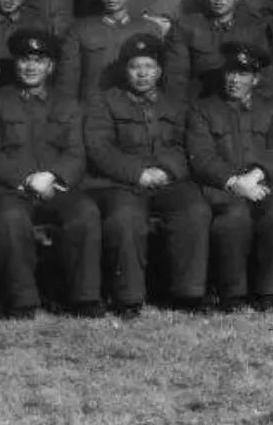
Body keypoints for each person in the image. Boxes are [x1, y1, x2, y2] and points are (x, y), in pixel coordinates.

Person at [0, 27, 103, 318]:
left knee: (85, 212)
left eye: (39, 60)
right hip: (7, 189)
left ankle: (83, 298)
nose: (31, 66)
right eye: (25, 59)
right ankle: (21, 301)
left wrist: (52, 176)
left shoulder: (68, 105)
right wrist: (27, 178)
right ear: (15, 63)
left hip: (53, 188)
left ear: (51, 66)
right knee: (10, 218)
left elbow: (76, 154)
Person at [83, 33, 211, 317]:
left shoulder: (175, 104)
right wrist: (138, 173)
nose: (142, 74)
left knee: (194, 210)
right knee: (125, 218)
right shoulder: (103, 102)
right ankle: (129, 298)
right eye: (134, 67)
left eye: (149, 67)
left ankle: (188, 293)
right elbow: (99, 148)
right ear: (124, 70)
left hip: (168, 180)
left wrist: (166, 171)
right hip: (123, 182)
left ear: (160, 71)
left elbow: (184, 146)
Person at [186, 41, 273, 313]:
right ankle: (233, 294)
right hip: (223, 188)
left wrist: (256, 176)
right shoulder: (203, 109)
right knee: (234, 217)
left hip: (263, 185)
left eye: (243, 74)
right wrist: (235, 183)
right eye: (230, 73)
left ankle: (269, 293)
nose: (234, 80)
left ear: (256, 79)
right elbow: (201, 157)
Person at [167, 0, 273, 104]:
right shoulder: (187, 26)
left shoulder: (254, 29)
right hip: (199, 107)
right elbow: (176, 79)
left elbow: (265, 83)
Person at [58, 0, 158, 103]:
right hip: (92, 114)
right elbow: (67, 86)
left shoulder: (149, 30)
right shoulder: (80, 30)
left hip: (134, 115)